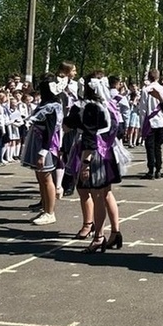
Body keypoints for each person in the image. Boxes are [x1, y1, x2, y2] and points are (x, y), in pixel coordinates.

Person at [64, 75, 126, 251]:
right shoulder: (108, 103)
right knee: (106, 193)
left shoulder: (90, 107)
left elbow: (89, 136)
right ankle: (115, 232)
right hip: (107, 151)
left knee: (98, 195)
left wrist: (85, 162)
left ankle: (99, 236)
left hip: (94, 153)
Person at [21, 74, 64, 225]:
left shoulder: (52, 106)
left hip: (45, 145)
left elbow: (50, 131)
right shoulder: (44, 104)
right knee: (40, 178)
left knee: (46, 179)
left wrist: (43, 152)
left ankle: (50, 212)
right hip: (37, 142)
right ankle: (45, 208)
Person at [140, 69, 163, 179]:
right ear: (158, 77)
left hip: (150, 121)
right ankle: (158, 169)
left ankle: (151, 170)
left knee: (150, 147)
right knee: (158, 146)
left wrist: (142, 123)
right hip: (161, 120)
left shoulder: (146, 90)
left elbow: (143, 108)